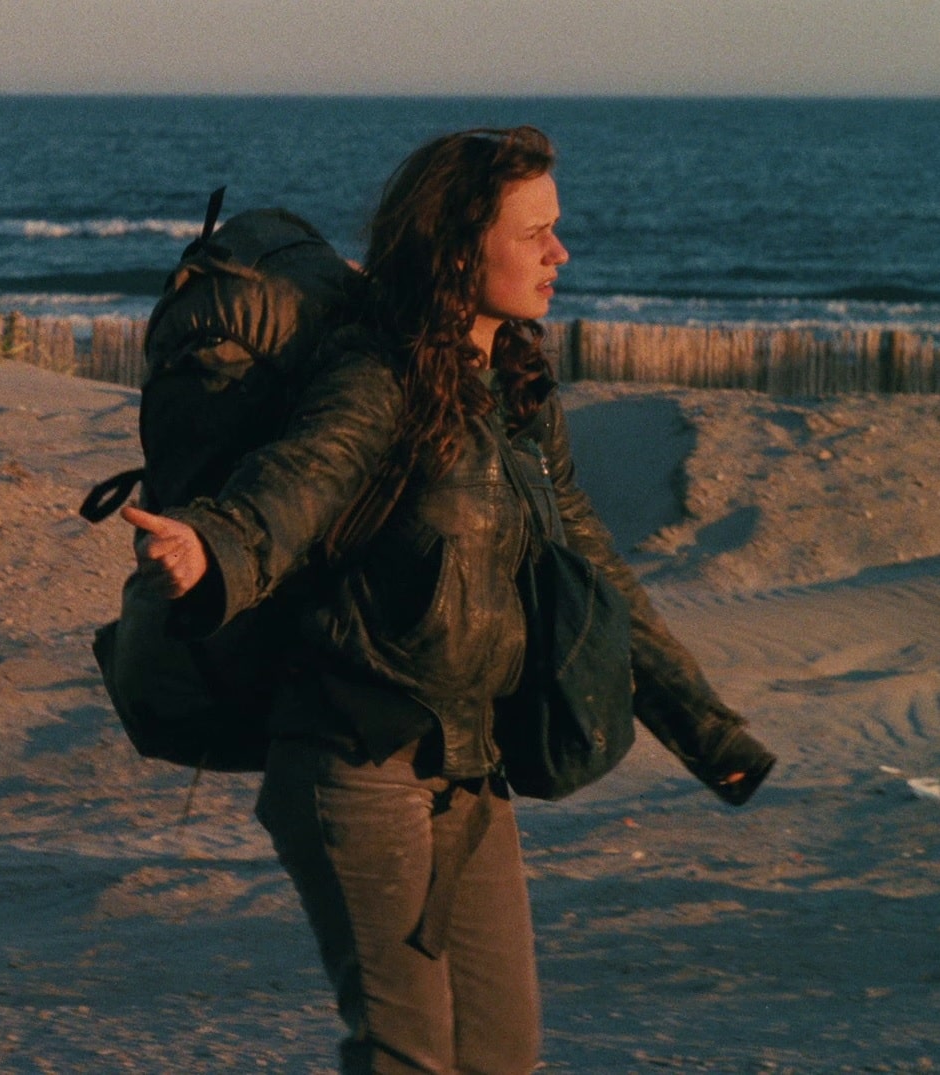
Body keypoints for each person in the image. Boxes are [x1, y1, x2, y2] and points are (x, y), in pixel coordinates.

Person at [118, 127, 777, 1074]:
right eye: (534, 233)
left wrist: (707, 732)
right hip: (355, 764)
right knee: (407, 1052)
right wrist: (211, 548)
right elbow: (298, 482)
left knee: (501, 1054)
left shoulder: (517, 389)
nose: (560, 253)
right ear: (461, 247)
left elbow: (594, 571)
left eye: (556, 229)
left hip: (471, 772)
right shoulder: (375, 375)